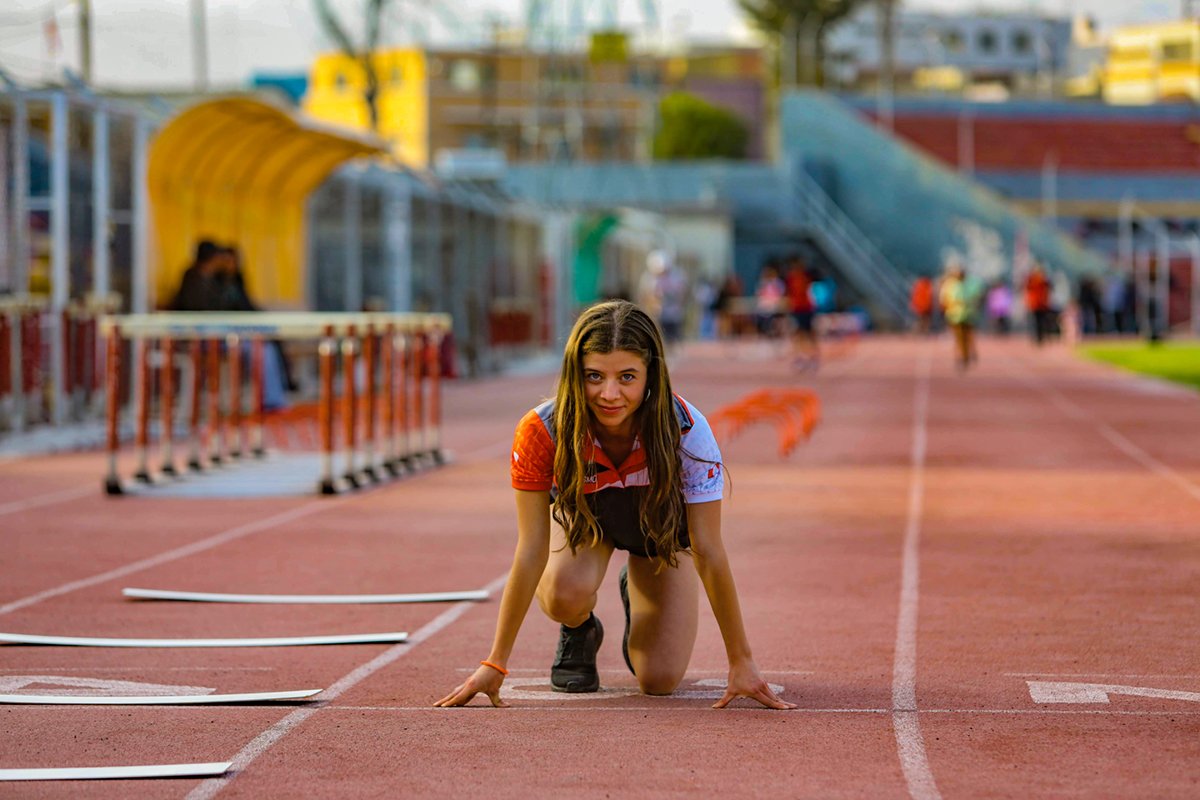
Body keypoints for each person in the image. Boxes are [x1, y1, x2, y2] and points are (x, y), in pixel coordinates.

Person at [436, 300, 795, 710]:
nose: (609, 394)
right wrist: (495, 663)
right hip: (588, 524)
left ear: (650, 375)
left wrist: (741, 661)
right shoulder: (541, 430)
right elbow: (531, 547)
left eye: (627, 377)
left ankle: (637, 589)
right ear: (576, 373)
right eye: (594, 376)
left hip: (658, 535)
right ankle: (579, 629)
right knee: (561, 593)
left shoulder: (688, 432)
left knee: (659, 681)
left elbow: (709, 550)